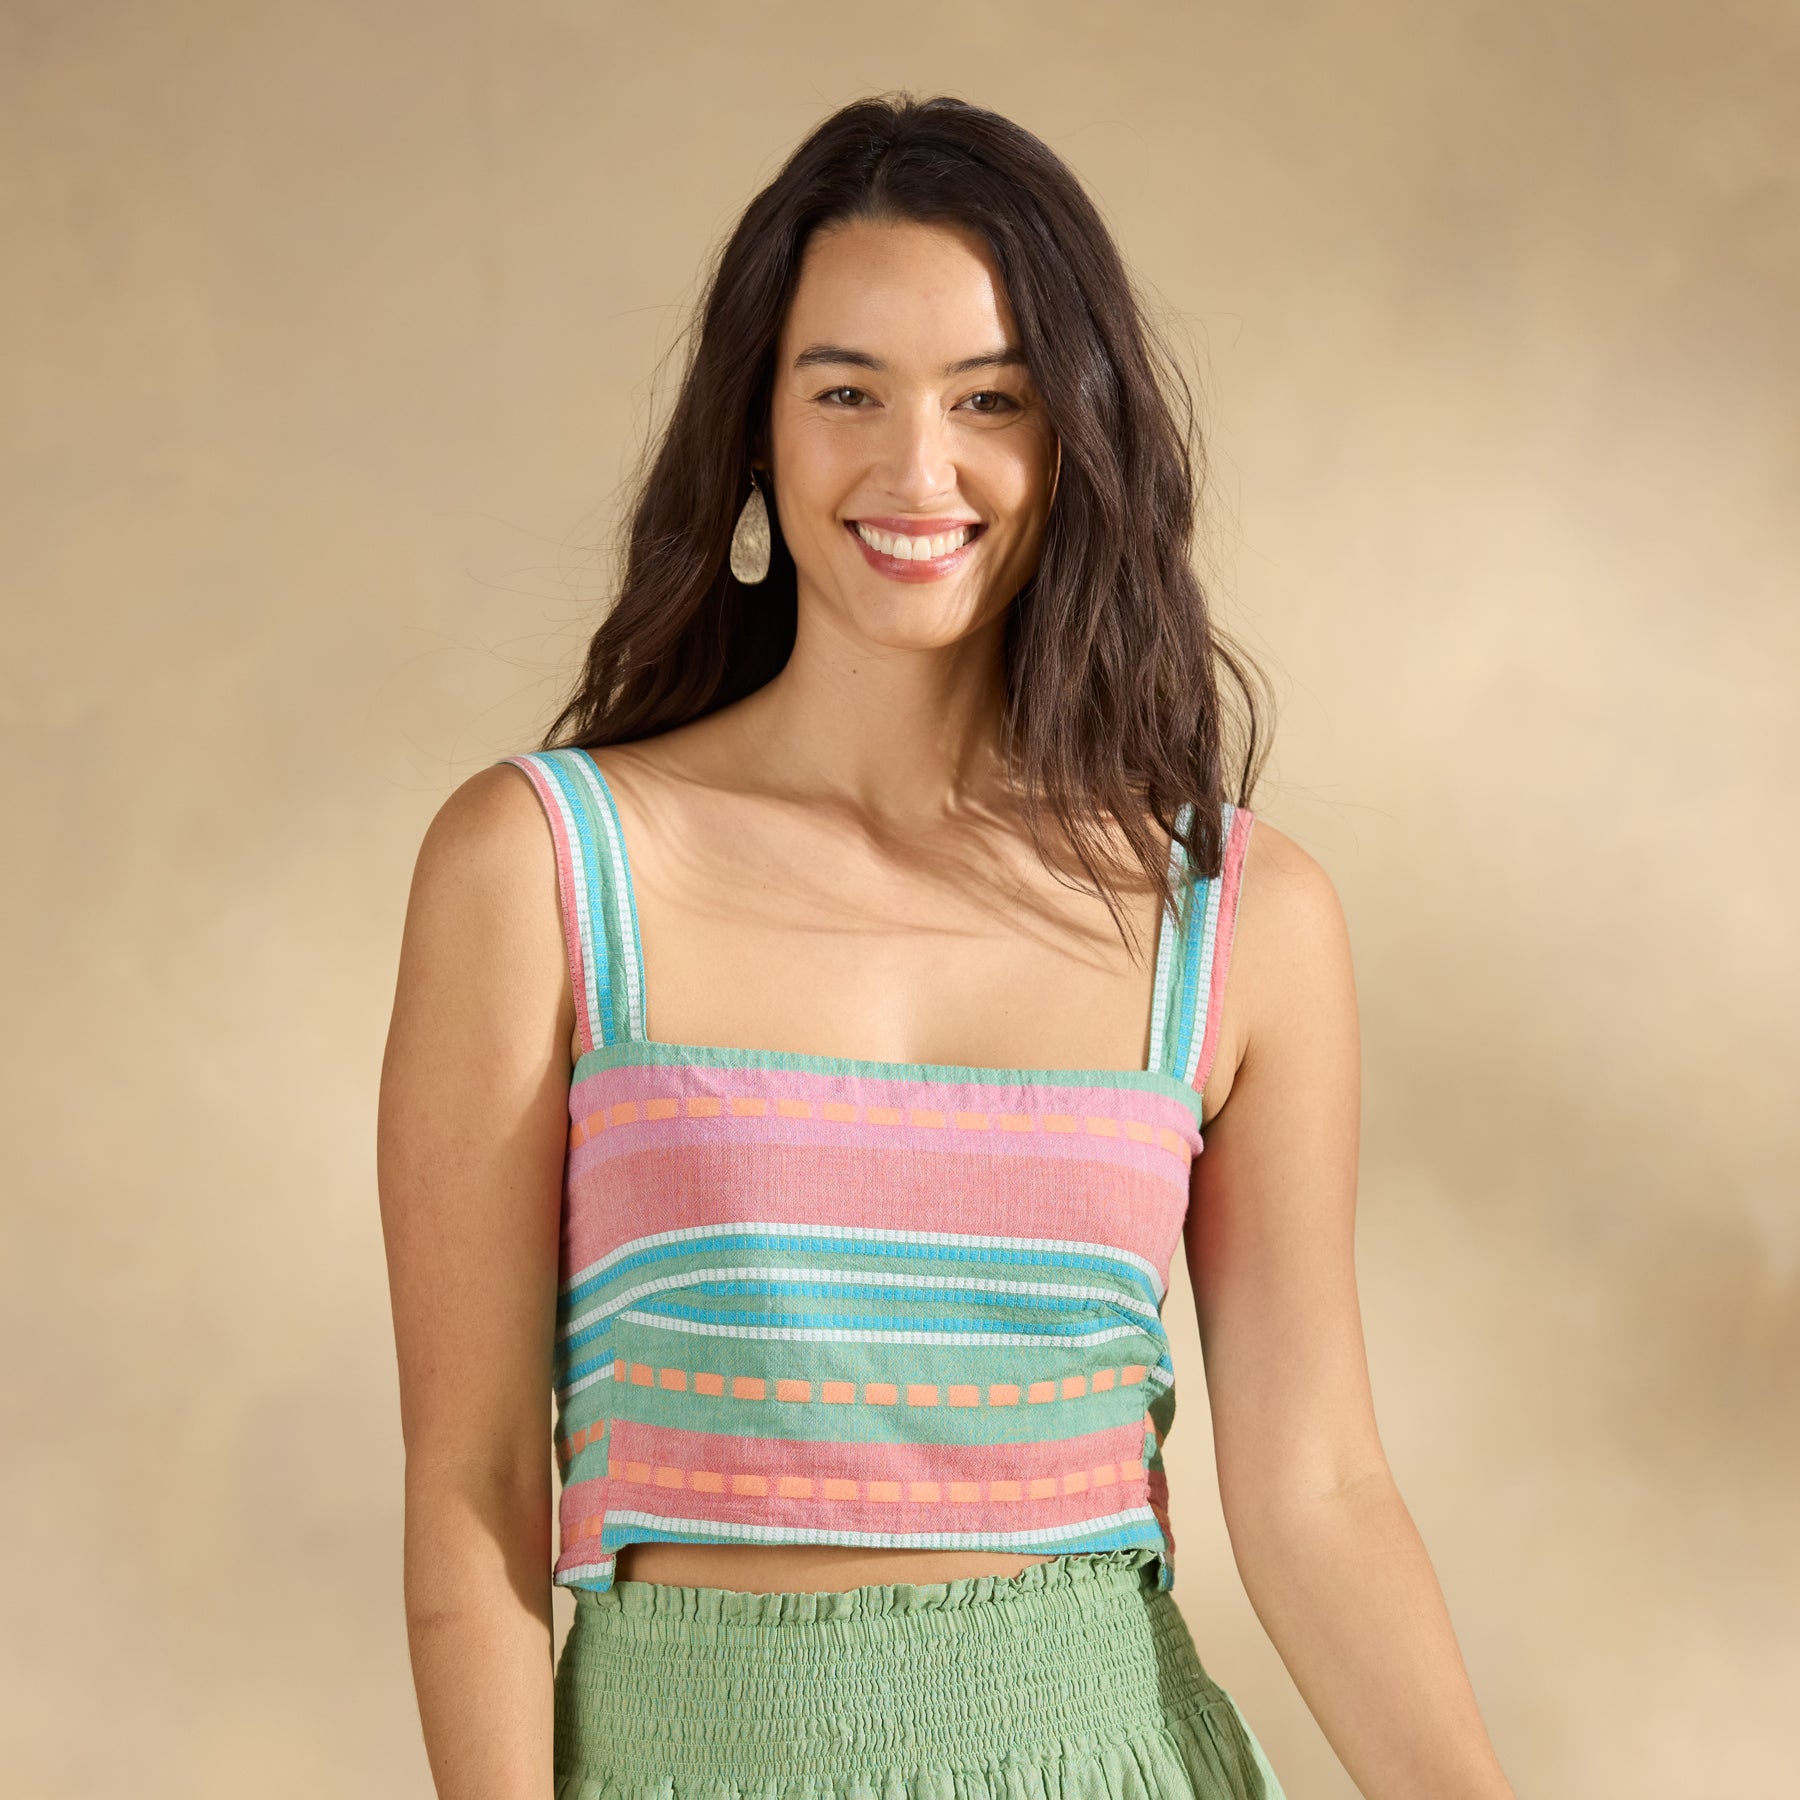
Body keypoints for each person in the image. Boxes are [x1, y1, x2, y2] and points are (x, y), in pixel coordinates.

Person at [378, 92, 1517, 1800]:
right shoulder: (539, 869)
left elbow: (1319, 1494)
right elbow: (470, 1493)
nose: (920, 471)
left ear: (1077, 441)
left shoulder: (1236, 917)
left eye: (991, 398)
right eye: (847, 392)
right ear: (754, 431)